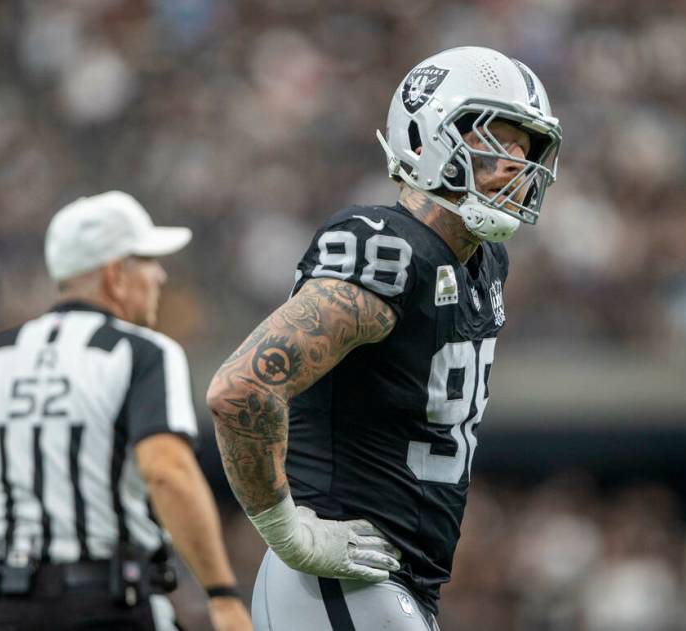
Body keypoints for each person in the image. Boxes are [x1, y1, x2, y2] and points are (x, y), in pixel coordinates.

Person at [207, 45, 563, 630]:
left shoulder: (484, 264)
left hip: (391, 582)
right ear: (425, 140)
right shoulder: (386, 247)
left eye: (526, 149)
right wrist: (287, 534)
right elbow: (241, 388)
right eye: (494, 142)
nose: (515, 167)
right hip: (339, 574)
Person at [0, 191, 252, 631]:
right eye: (147, 260)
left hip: (5, 609)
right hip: (109, 604)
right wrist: (222, 595)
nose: (161, 275)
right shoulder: (144, 353)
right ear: (115, 275)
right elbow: (167, 470)